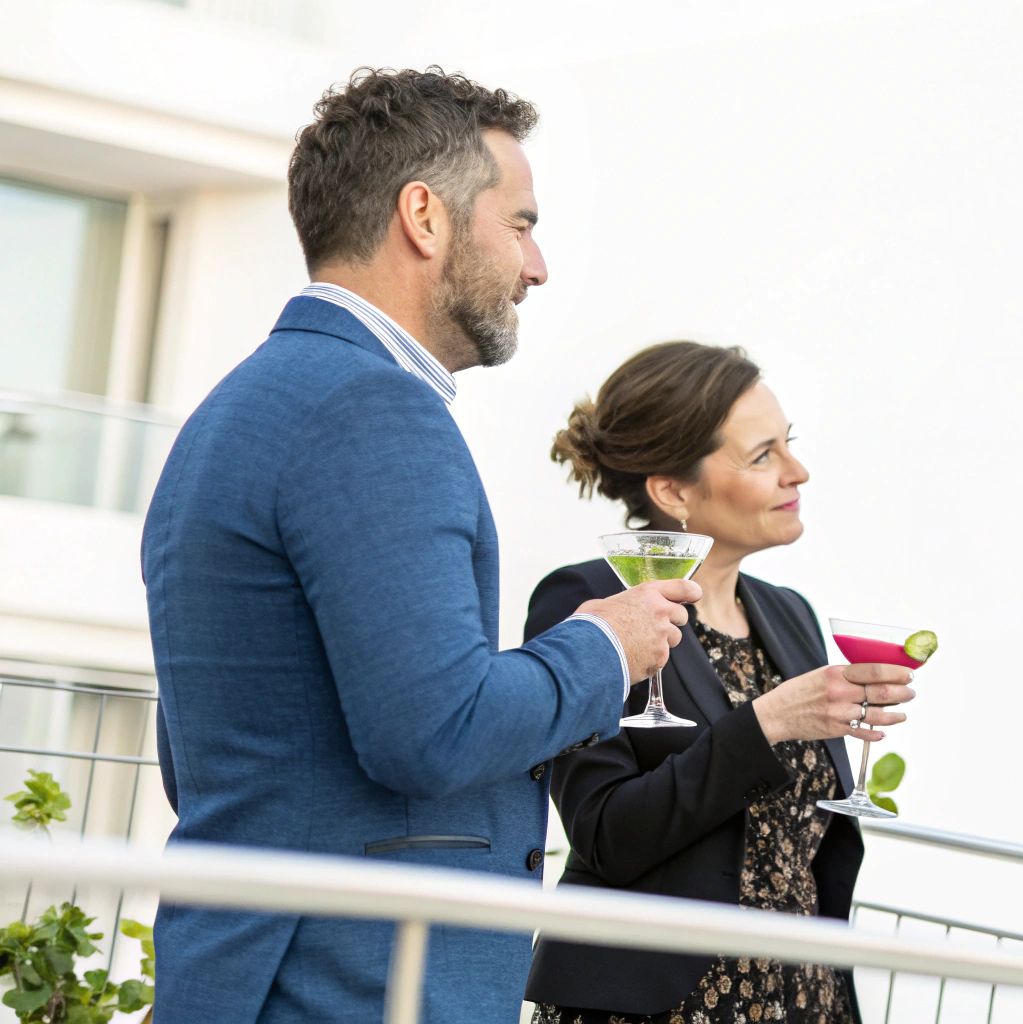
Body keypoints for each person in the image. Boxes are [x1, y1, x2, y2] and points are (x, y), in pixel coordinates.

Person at [140, 68, 699, 1023]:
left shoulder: (238, 408)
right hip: (351, 983)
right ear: (424, 217)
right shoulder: (371, 408)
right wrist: (605, 645)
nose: (536, 266)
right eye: (520, 224)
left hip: (253, 966)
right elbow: (435, 733)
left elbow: (220, 743)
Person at [521, 341, 915, 1023]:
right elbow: (605, 832)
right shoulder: (589, 604)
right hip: (657, 1009)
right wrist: (767, 723)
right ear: (674, 492)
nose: (798, 472)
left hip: (800, 1000)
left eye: (789, 444)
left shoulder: (789, 614)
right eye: (763, 456)